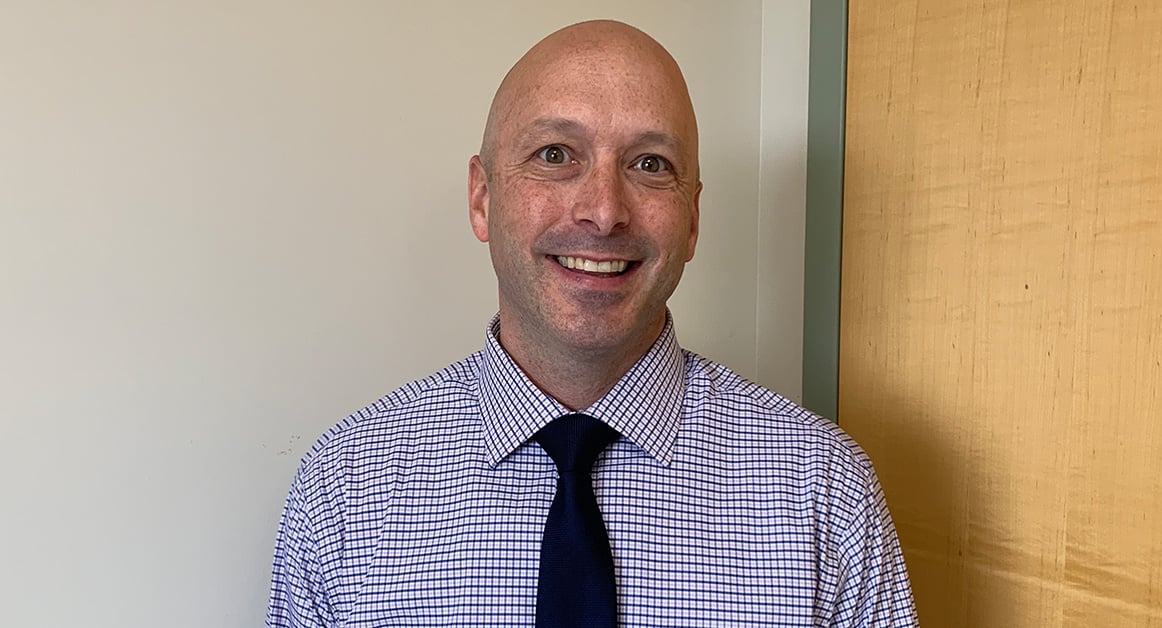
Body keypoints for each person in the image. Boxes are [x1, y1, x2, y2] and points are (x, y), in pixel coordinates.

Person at [266, 20, 918, 627]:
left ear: (692, 221)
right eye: (555, 154)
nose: (604, 212)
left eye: (650, 164)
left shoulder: (825, 492)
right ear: (482, 199)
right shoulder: (343, 487)